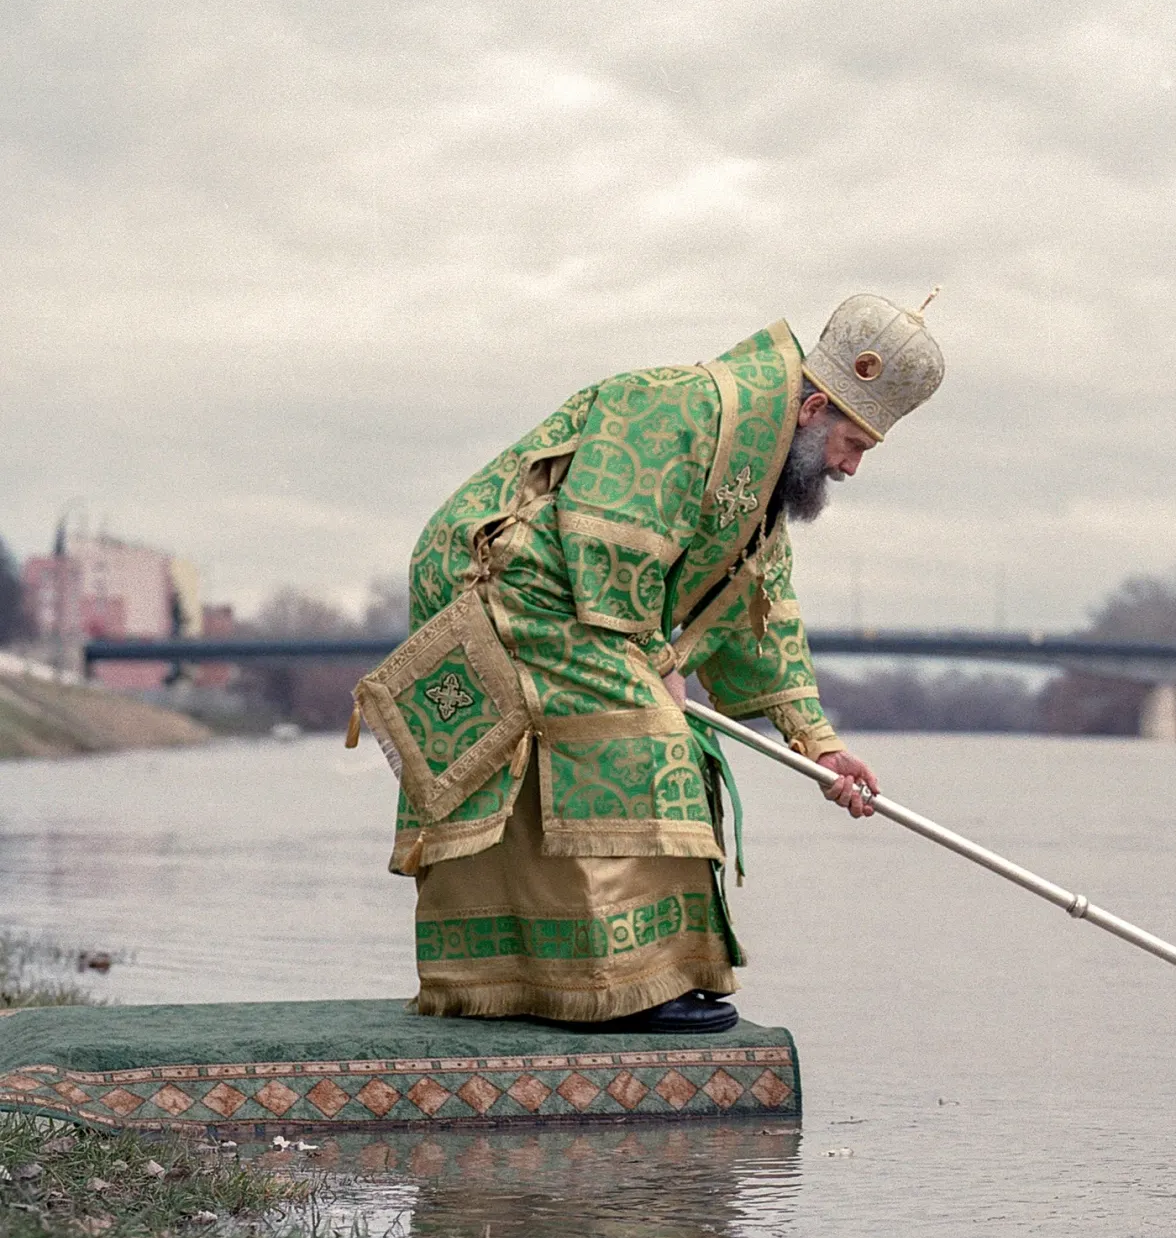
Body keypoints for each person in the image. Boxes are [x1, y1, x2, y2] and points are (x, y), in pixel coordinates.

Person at [351, 293, 942, 1034]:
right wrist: (657, 660)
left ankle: (532, 980)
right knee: (651, 742)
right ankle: (631, 985)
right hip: (507, 575)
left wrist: (821, 747)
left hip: (572, 598)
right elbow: (604, 534)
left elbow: (768, 622)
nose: (851, 467)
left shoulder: (761, 485)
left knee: (650, 742)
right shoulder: (679, 404)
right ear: (813, 407)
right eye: (853, 443)